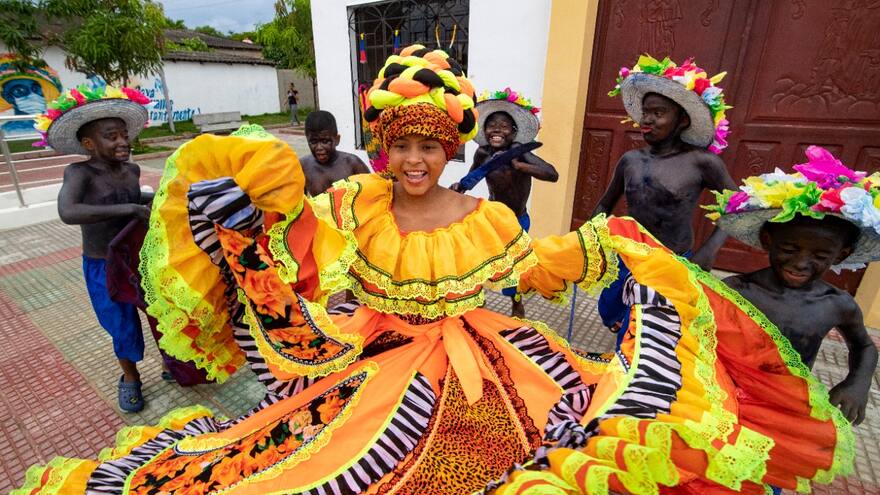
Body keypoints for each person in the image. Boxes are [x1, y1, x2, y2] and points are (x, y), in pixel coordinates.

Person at [15, 47, 853, 495]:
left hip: (486, 364)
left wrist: (617, 248)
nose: (416, 159)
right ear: (386, 148)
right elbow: (293, 258)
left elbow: (540, 260)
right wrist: (243, 225)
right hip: (370, 359)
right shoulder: (351, 208)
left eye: (430, 145)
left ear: (448, 150)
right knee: (288, 462)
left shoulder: (485, 216)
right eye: (403, 144)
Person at [711, 146, 880, 426]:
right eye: (790, 248)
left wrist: (857, 383)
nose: (801, 263)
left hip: (788, 406)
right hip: (725, 399)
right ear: (768, 241)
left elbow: (864, 346)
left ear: (841, 256)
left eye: (820, 256)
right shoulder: (736, 290)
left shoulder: (837, 304)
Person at [594, 55, 736, 342]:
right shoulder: (630, 160)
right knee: (609, 308)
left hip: (672, 260)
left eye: (658, 113)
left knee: (643, 326)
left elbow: (736, 207)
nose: (647, 120)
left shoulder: (702, 163)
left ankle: (628, 363)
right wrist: (587, 240)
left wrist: (710, 250)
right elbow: (605, 204)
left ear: (682, 120)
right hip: (630, 253)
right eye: (646, 112)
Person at [37, 84, 154, 412]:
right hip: (103, 264)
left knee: (161, 314)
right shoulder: (79, 173)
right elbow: (68, 211)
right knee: (120, 323)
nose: (122, 142)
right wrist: (129, 210)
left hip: (139, 259)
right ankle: (130, 378)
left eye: (124, 135)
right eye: (111, 136)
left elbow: (133, 199)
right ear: (89, 144)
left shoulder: (132, 170)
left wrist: (156, 198)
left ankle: (176, 364)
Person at [453, 88, 558, 318]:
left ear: (513, 131)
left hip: (517, 219)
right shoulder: (482, 153)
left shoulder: (520, 153)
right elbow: (474, 176)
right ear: (484, 130)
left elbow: (552, 174)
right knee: (480, 257)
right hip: (492, 215)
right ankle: (477, 295)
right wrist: (459, 187)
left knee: (515, 264)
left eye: (503, 126)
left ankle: (516, 301)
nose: (496, 130)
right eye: (491, 125)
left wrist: (522, 167)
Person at [301, 110, 370, 196]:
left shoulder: (353, 164)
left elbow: (371, 193)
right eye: (313, 142)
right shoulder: (303, 166)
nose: (319, 148)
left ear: (337, 139)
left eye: (325, 141)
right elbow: (297, 202)